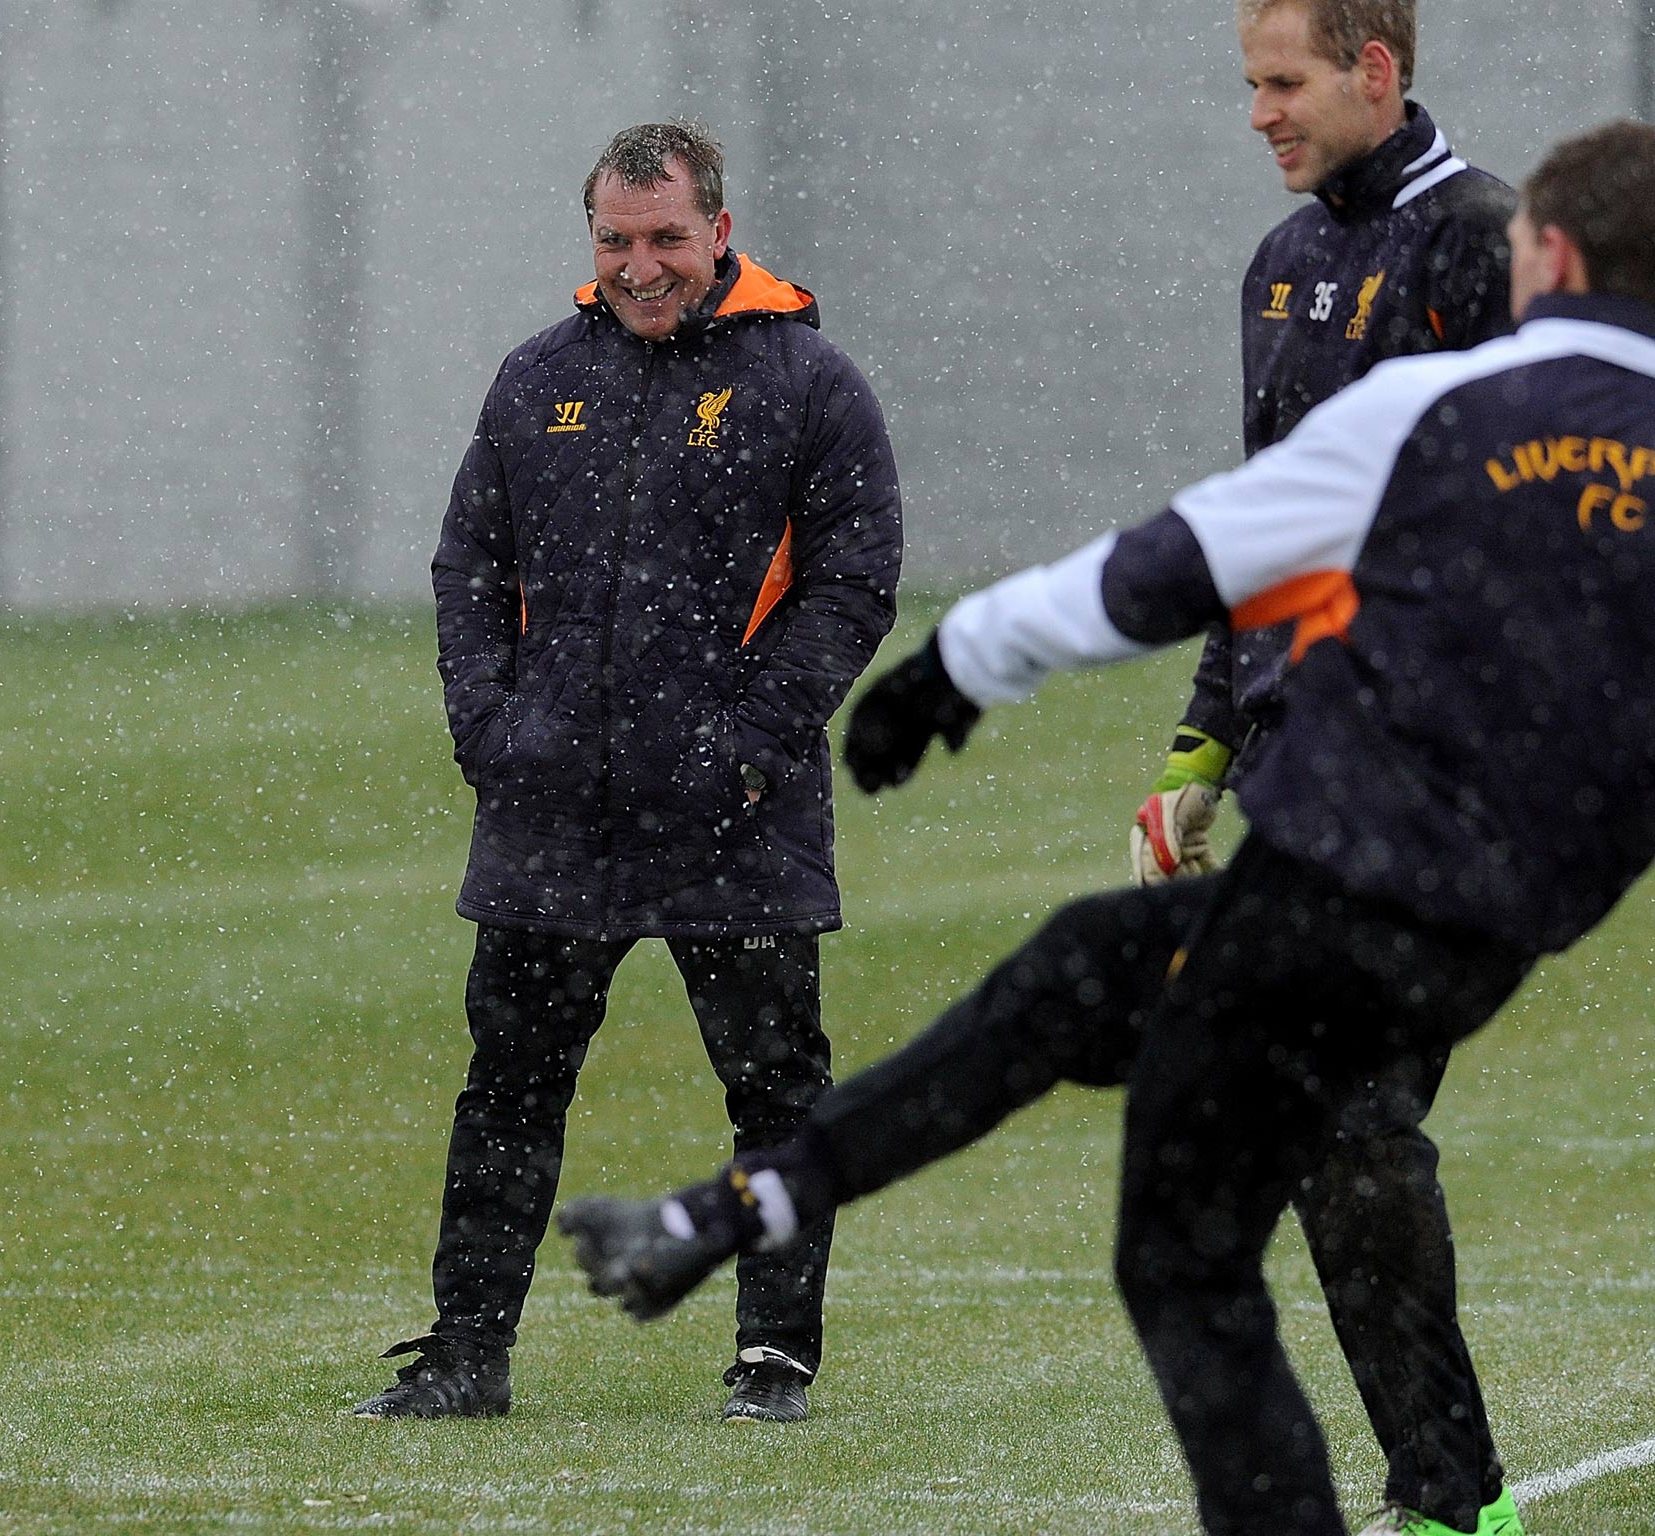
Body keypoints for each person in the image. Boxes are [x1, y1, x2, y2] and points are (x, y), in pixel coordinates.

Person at [561, 118, 1655, 1536]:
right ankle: (741, 1208)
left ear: (1551, 254)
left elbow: (1180, 558)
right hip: (1484, 938)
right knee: (1095, 986)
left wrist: (964, 662)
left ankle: (743, 1211)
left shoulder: (1435, 407)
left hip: (1344, 876)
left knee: (1166, 1214)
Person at [354, 120, 901, 1425]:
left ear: (720, 231)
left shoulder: (811, 385)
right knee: (509, 1086)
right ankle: (465, 1355)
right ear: (590, 241)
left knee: (774, 1092)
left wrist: (752, 746)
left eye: (666, 238)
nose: (642, 266)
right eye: (617, 241)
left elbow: (854, 583)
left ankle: (773, 1358)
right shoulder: (537, 377)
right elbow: (467, 568)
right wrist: (490, 731)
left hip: (736, 815)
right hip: (552, 811)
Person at [1124, 5, 1522, 1531]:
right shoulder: (1284, 267)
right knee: (1320, 1130)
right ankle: (1450, 1492)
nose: (1259, 115)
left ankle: (1452, 1500)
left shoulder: (1489, 248)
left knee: (1346, 1113)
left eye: (1283, 84)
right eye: (1248, 86)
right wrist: (1203, 745)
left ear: (1378, 71)